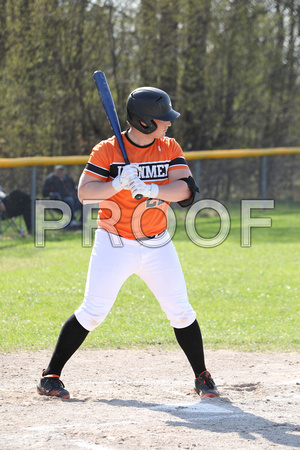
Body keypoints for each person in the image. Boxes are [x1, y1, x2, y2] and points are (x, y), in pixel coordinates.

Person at [36, 86, 220, 400]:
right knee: (93, 312)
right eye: (163, 119)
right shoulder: (106, 150)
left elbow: (187, 191)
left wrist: (152, 189)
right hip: (114, 242)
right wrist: (116, 183)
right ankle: (50, 375)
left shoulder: (168, 146)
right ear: (145, 122)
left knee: (181, 311)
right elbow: (84, 192)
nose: (169, 124)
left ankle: (201, 375)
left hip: (157, 244)